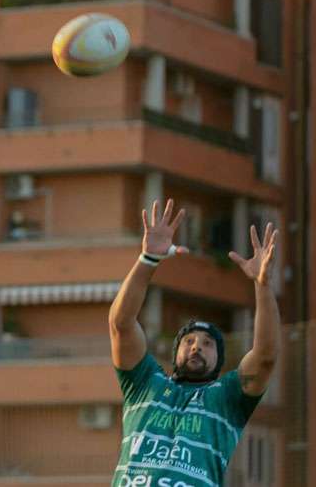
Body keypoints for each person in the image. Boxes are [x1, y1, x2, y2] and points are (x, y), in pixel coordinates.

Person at [108, 199, 280, 487]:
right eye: (188, 341)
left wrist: (262, 287)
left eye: (208, 343)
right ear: (175, 352)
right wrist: (147, 260)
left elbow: (265, 356)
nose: (197, 346)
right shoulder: (144, 383)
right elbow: (120, 324)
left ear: (219, 361)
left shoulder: (226, 399)